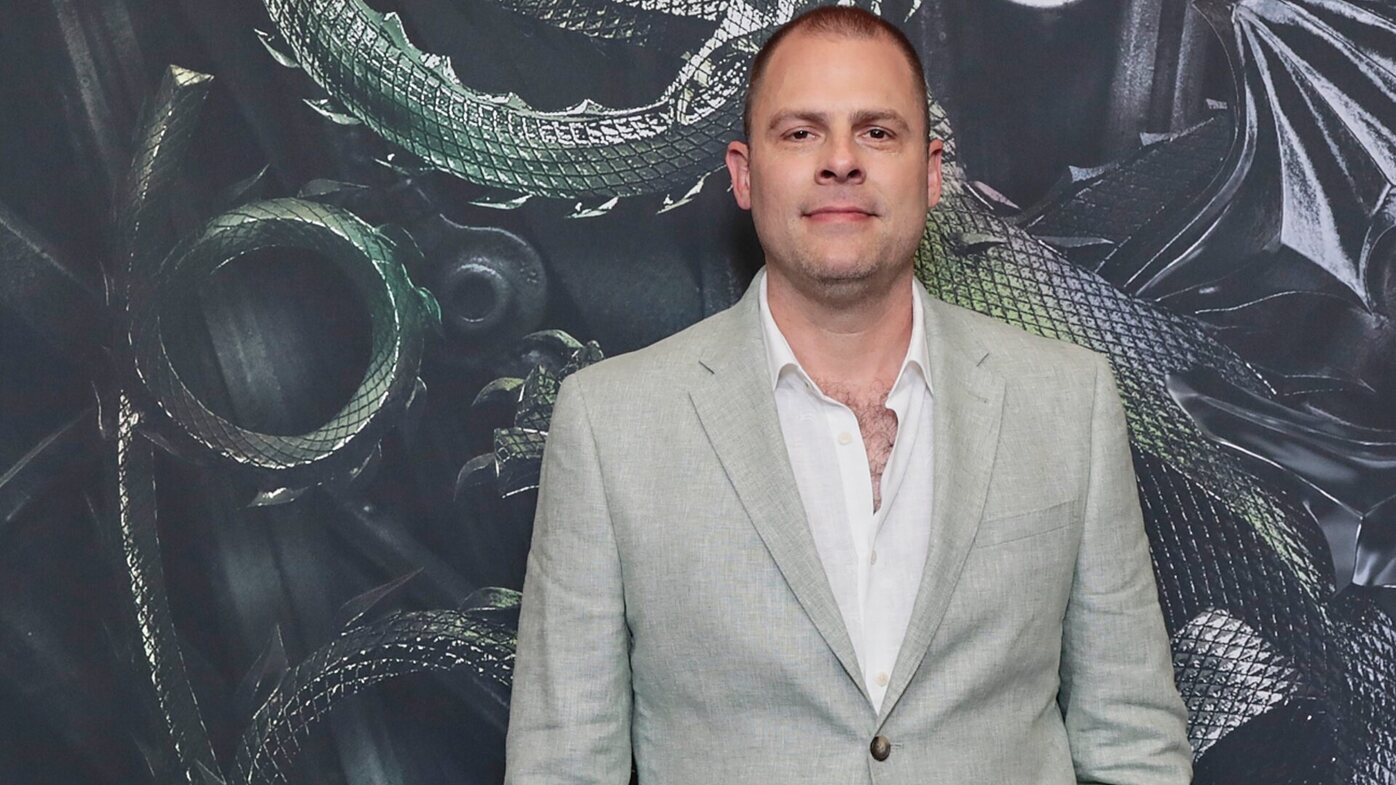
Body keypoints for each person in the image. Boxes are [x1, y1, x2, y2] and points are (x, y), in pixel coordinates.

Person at [503, 6, 1192, 784]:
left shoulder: (1068, 401)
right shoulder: (610, 425)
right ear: (743, 174)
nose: (840, 161)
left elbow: (1134, 742)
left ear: (931, 172)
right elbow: (563, 763)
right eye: (801, 132)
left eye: (877, 132)